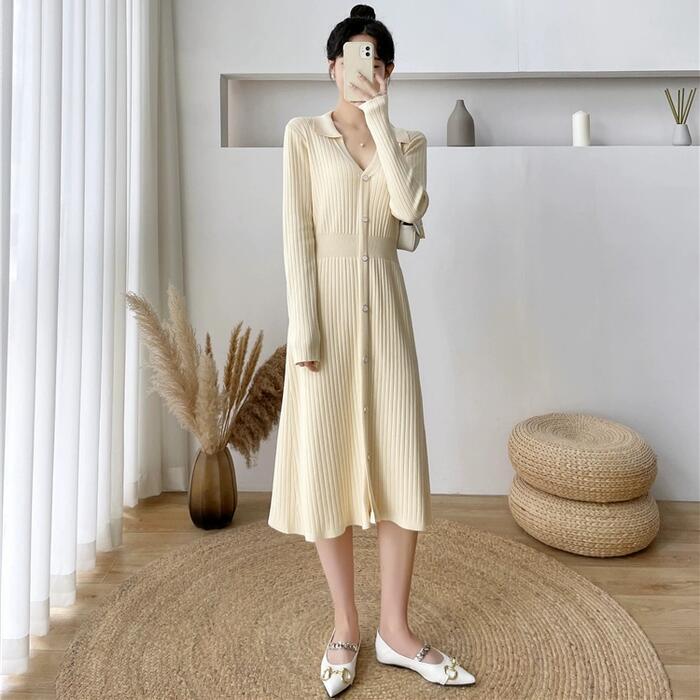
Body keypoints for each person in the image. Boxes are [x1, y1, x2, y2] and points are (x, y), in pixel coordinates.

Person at [268, 4, 476, 695]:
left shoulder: (408, 140)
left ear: (388, 71)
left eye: (377, 61)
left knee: (398, 467)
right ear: (333, 66)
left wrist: (380, 120)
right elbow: (297, 236)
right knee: (326, 465)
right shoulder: (303, 135)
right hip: (325, 319)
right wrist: (303, 327)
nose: (366, 70)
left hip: (385, 316)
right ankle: (345, 628)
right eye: (355, 58)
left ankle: (396, 631)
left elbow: (409, 211)